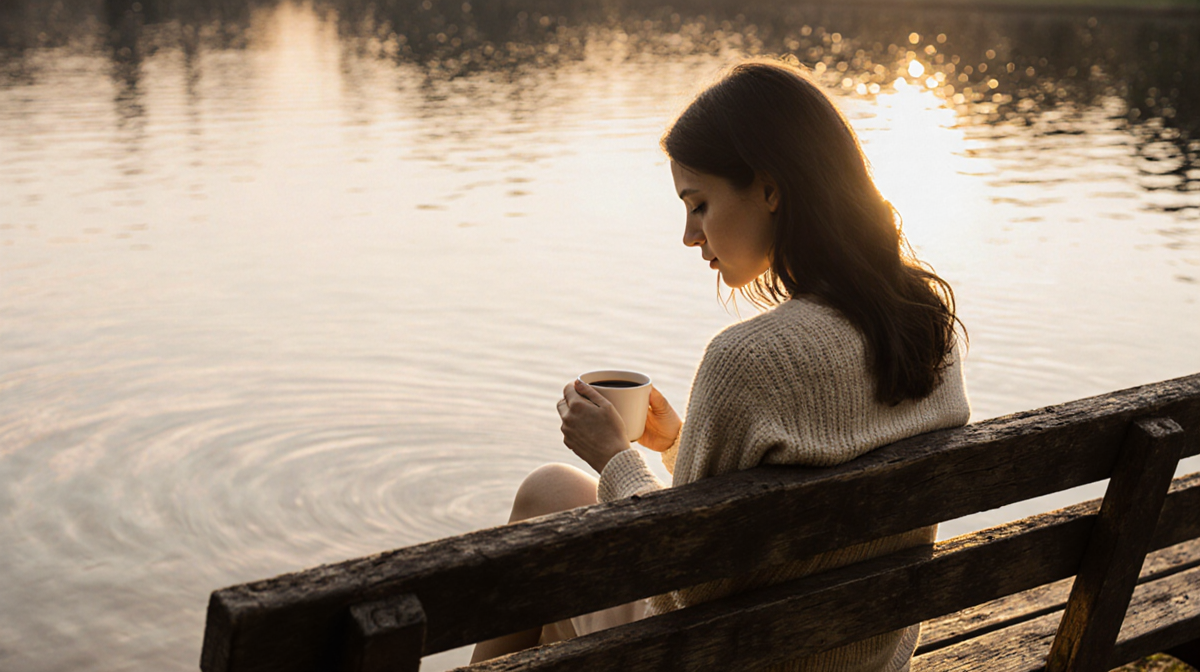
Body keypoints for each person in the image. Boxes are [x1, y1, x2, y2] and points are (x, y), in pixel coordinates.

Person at [470, 58, 971, 671]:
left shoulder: (749, 359)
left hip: (725, 656)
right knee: (556, 513)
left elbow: (682, 585)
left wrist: (615, 460)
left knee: (546, 503)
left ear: (769, 188)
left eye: (699, 204)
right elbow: (774, 512)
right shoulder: (925, 326)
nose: (689, 234)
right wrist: (682, 444)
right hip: (861, 655)